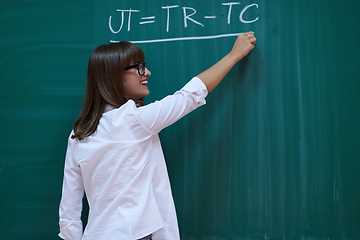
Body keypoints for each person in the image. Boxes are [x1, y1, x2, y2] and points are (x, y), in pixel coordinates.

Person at [58, 32, 256, 240]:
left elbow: (69, 212)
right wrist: (234, 55)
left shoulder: (79, 134)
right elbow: (190, 95)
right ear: (114, 75)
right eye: (139, 67)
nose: (147, 73)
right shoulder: (134, 120)